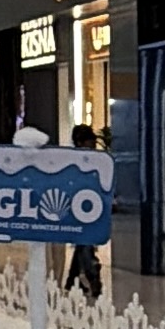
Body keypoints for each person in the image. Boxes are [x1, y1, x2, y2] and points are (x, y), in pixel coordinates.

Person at [65, 122, 104, 301]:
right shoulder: (76, 162)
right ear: (81, 142)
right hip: (80, 208)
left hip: (90, 208)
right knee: (85, 244)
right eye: (90, 141)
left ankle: (73, 279)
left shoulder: (91, 161)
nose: (94, 145)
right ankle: (92, 277)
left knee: (83, 244)